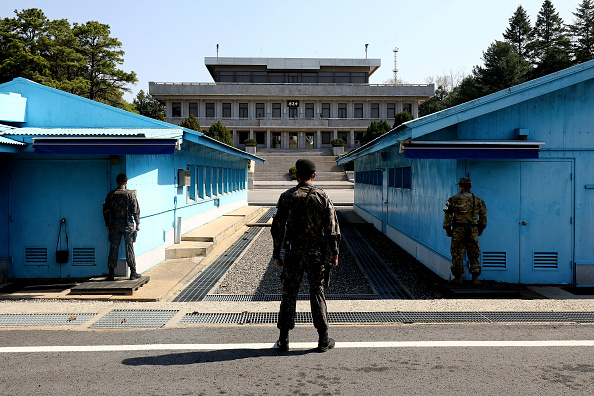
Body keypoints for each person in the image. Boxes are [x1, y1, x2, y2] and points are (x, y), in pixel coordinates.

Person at [271, 159, 340, 353]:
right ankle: (323, 339)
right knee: (317, 291)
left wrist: (277, 254)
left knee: (289, 293)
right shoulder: (322, 196)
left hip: (293, 253)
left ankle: (283, 339)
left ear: (296, 175)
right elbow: (332, 228)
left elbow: (277, 228)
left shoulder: (286, 197)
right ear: (314, 176)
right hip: (315, 254)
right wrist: (335, 252)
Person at [443, 177, 487, 286]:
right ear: (470, 187)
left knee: (457, 253)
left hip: (458, 230)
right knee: (474, 252)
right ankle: (475, 278)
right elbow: (484, 219)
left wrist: (448, 230)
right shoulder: (479, 200)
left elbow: (447, 218)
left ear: (460, 186)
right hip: (473, 230)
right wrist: (480, 230)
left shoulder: (451, 200)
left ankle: (458, 278)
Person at [103, 173, 141, 281]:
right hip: (127, 225)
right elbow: (135, 210)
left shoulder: (111, 195)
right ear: (126, 182)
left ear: (116, 182)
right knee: (129, 247)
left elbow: (106, 210)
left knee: (114, 247)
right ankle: (133, 273)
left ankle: (111, 274)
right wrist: (137, 223)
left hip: (114, 225)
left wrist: (107, 223)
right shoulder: (130, 195)